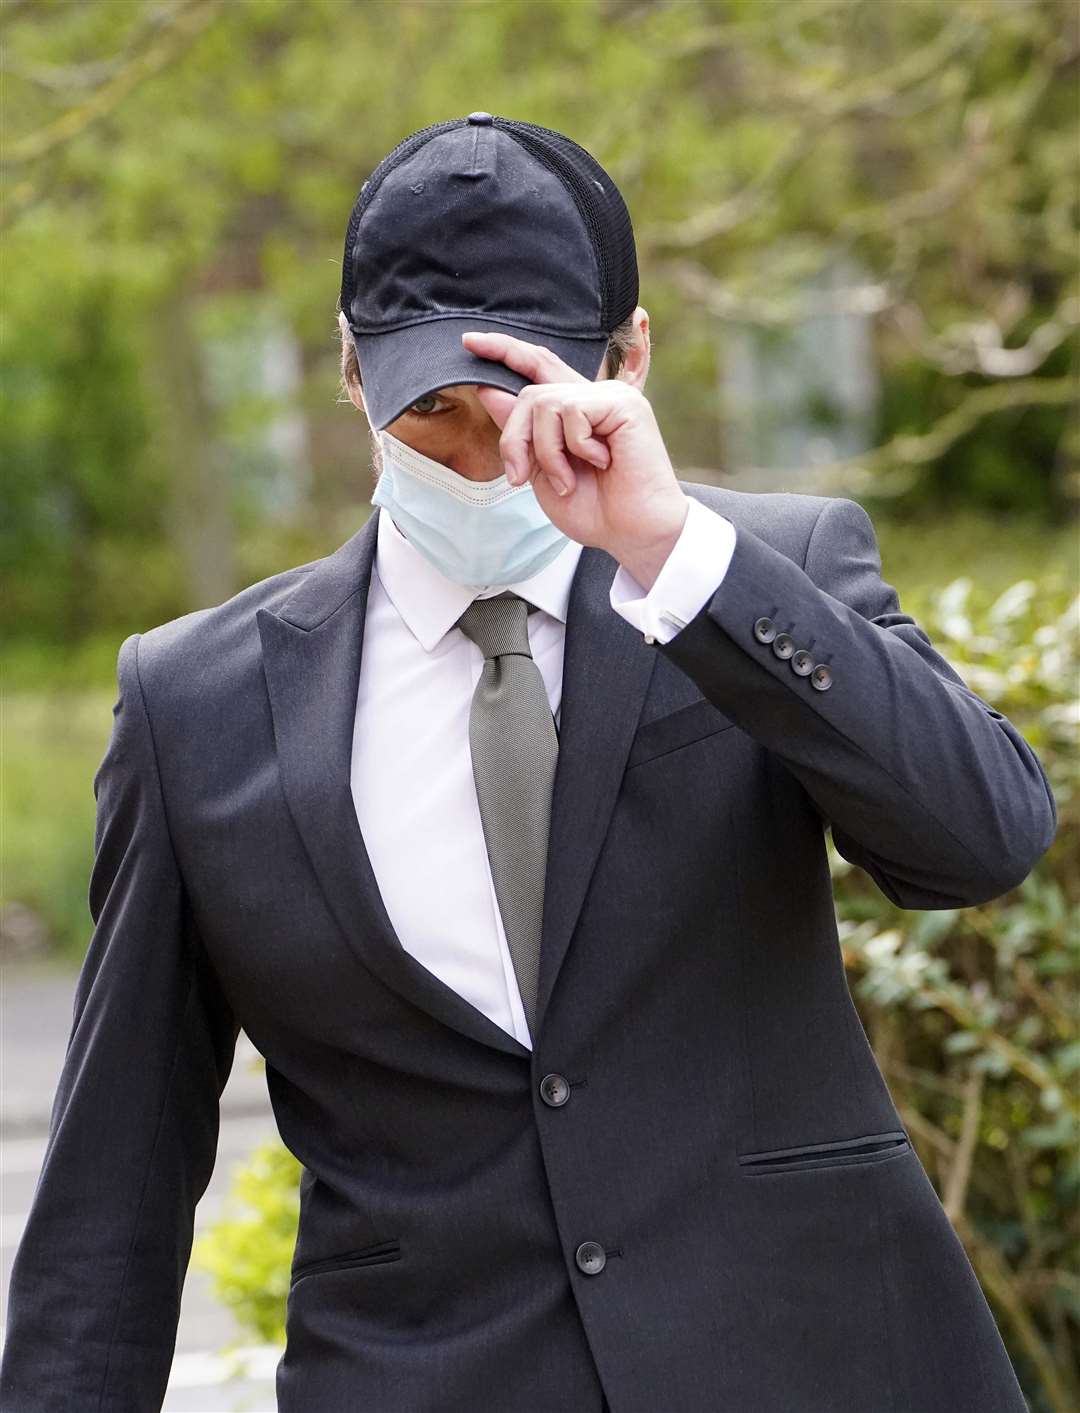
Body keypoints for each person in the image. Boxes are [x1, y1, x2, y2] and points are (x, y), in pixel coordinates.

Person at [0, 113, 1056, 1413]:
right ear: (348, 377)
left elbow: (980, 842)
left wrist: (672, 550)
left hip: (814, 1367)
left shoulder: (771, 575)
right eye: (431, 413)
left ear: (632, 358)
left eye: (522, 407)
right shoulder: (195, 704)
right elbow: (113, 1184)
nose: (481, 456)